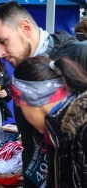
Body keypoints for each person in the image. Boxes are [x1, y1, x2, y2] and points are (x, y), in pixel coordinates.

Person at [0, 1, 87, 187]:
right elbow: (30, 145)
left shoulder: (81, 55)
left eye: (3, 42)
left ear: (26, 28)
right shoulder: (20, 78)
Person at [11, 56, 87, 187]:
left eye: (20, 106)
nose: (24, 115)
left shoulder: (82, 133)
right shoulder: (61, 131)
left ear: (33, 101)